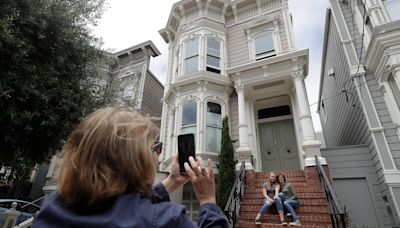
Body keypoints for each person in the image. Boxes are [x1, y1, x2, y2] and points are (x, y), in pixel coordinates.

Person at [32, 107, 228, 228]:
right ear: (135, 160)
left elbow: (123, 205)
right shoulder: (167, 220)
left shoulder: (54, 206)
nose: (158, 156)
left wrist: (172, 182)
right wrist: (207, 200)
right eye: (155, 148)